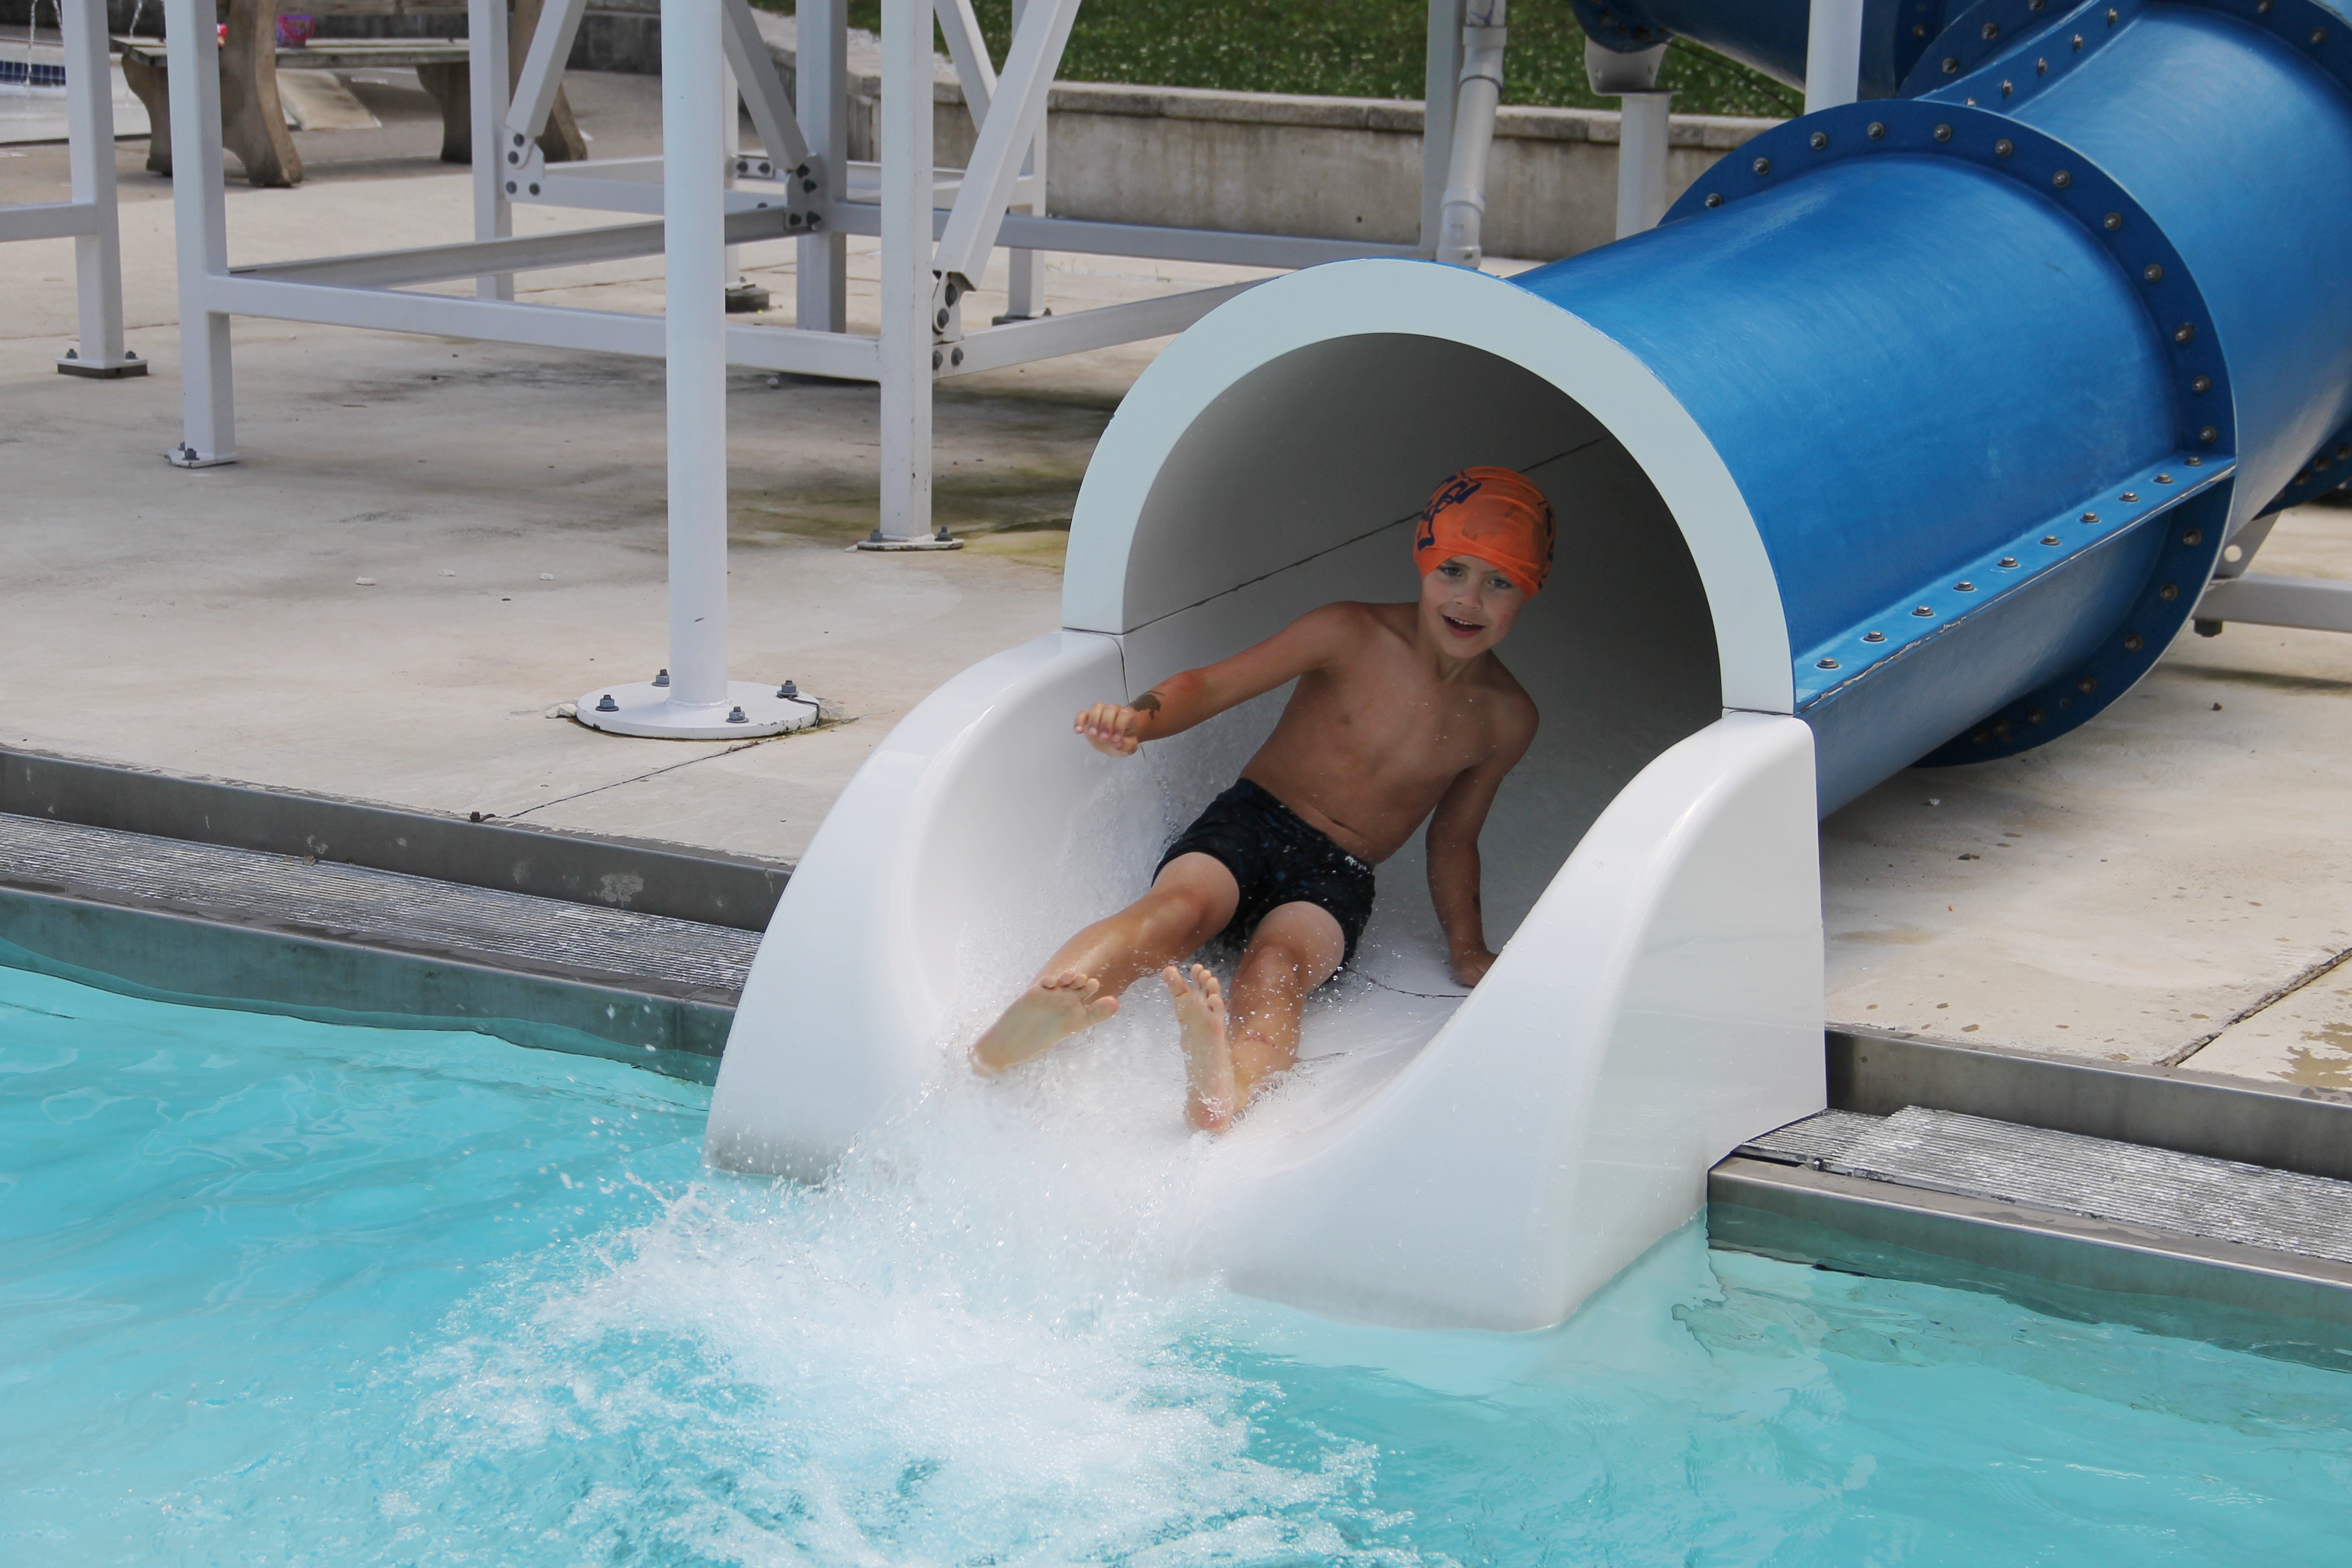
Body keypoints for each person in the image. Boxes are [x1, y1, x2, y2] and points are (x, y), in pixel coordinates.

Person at [969, 467, 1550, 1130]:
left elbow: (1454, 837)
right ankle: (1045, 1006)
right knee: (1176, 911)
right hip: (1250, 821)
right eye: (1453, 570)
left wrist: (1468, 948)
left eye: (1500, 582)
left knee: (1278, 967)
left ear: (1529, 590)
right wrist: (1139, 721)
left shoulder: (1507, 717)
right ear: (1423, 560)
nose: (1469, 599)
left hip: (1337, 876)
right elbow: (1213, 685)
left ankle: (1231, 1081)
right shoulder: (1349, 632)